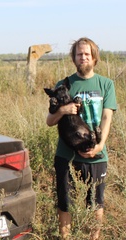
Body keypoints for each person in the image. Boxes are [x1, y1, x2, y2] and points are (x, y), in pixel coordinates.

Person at [46, 37, 117, 239]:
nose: (83, 57)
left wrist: (100, 146)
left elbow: (106, 117)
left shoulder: (106, 84)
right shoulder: (63, 85)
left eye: (87, 54)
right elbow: (50, 121)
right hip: (66, 154)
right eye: (79, 54)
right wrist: (64, 110)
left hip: (96, 154)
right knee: (65, 202)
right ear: (74, 58)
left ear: (94, 57)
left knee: (95, 203)